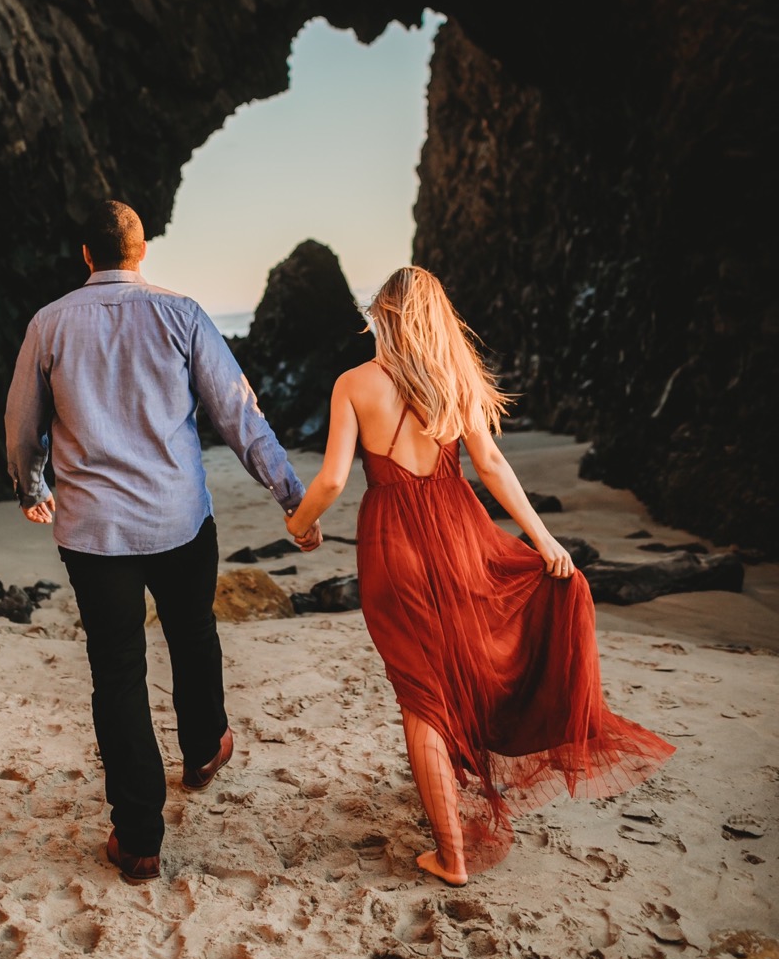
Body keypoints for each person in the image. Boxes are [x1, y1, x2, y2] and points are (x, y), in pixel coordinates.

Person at [282, 265, 675, 884]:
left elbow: (331, 479)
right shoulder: (454, 379)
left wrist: (299, 524)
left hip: (393, 544)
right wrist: (542, 539)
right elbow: (490, 464)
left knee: (419, 694)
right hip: (461, 533)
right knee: (464, 662)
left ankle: (451, 855)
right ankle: (453, 829)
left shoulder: (353, 383)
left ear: (383, 316)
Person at [5, 201, 320, 885]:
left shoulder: (49, 323)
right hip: (178, 520)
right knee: (190, 630)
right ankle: (205, 748)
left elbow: (21, 426)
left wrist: (33, 488)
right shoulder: (182, 313)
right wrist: (293, 495)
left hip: (94, 532)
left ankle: (140, 838)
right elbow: (238, 413)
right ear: (142, 250)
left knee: (116, 672)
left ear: (86, 256)